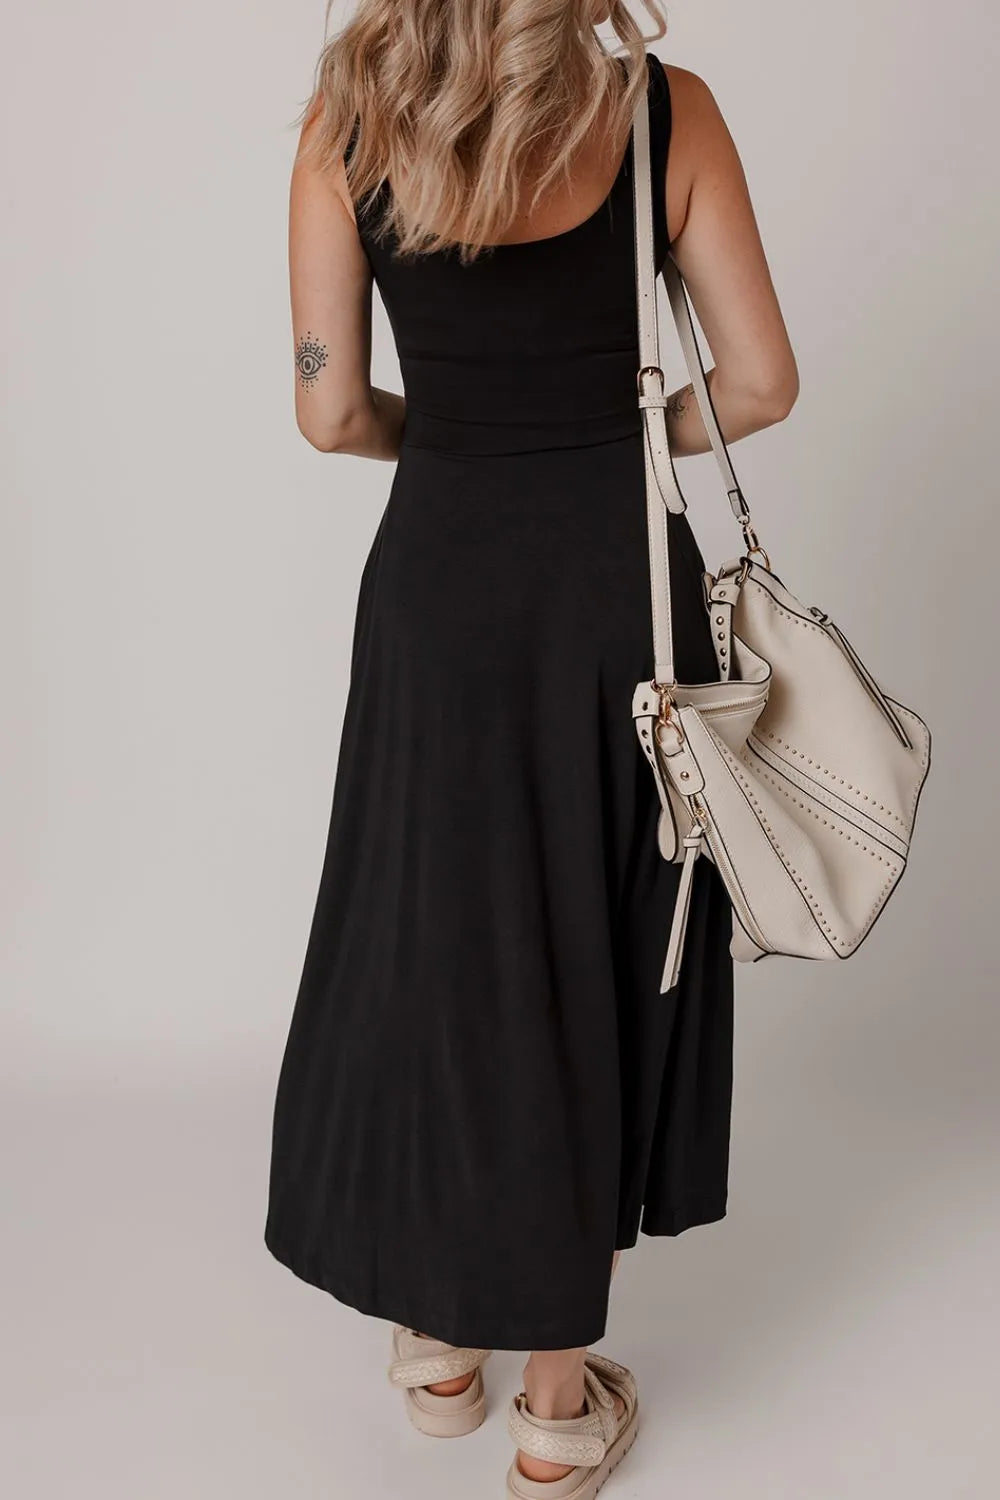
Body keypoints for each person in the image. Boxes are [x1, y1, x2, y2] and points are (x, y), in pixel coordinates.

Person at [265, 2, 798, 1494]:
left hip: (439, 590)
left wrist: (460, 432)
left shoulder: (344, 118)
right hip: (611, 591)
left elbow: (328, 412)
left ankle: (441, 1345)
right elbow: (759, 384)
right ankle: (557, 1413)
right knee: (590, 943)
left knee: (444, 936)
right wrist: (607, 430)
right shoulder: (664, 111)